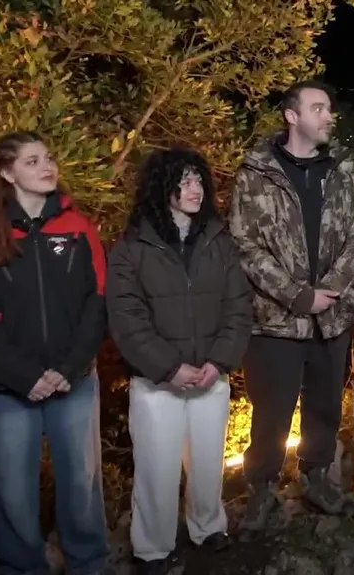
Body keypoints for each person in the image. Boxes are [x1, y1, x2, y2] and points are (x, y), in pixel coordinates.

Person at [0, 132, 109, 575]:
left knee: (81, 482)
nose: (47, 166)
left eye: (49, 158)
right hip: (8, 388)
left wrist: (68, 367)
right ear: (7, 172)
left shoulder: (78, 228)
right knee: (12, 489)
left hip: (72, 381)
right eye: (32, 161)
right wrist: (24, 376)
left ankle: (89, 564)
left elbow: (98, 301)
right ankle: (20, 567)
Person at [229, 80, 354, 534]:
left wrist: (330, 288)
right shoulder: (257, 172)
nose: (328, 116)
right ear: (292, 116)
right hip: (275, 319)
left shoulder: (344, 170)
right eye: (318, 108)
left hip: (332, 316)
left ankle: (316, 478)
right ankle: (262, 489)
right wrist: (297, 294)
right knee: (271, 410)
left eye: (329, 108)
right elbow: (244, 244)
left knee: (325, 405)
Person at [106, 148, 252, 575]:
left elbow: (238, 307)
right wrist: (169, 367)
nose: (195, 189)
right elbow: (126, 317)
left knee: (207, 461)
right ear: (162, 188)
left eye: (198, 180)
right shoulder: (133, 246)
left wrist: (219, 361)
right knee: (157, 467)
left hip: (210, 374)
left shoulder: (218, 241)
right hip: (157, 382)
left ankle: (208, 527)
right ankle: (152, 548)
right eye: (184, 181)